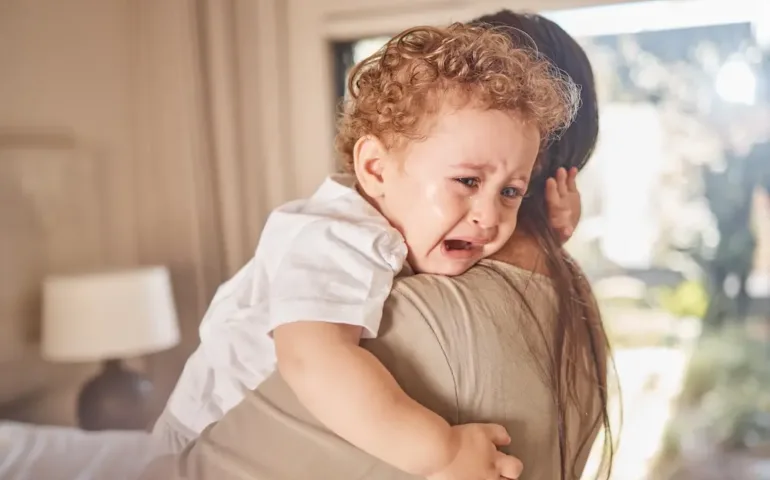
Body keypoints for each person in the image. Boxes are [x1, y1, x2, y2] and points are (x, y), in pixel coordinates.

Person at [141, 10, 614, 480]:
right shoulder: (333, 234)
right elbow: (313, 358)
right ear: (374, 169)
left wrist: (549, 232)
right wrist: (441, 451)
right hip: (199, 435)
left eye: (512, 192)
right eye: (467, 180)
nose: (489, 217)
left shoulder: (416, 222)